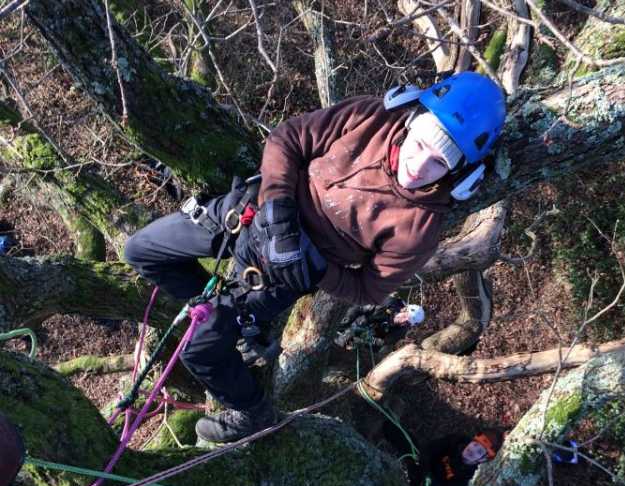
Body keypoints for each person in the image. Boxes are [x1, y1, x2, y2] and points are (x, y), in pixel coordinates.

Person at [124, 72, 506, 443]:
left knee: (199, 348)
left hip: (280, 274)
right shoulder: (370, 118)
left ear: (462, 175)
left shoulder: (419, 227)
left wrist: (315, 269)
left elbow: (368, 289)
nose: (418, 167)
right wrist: (277, 209)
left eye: (439, 162)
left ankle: (253, 412)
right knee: (141, 251)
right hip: (252, 213)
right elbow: (287, 138)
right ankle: (206, 303)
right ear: (410, 119)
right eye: (420, 145)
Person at [334, 295, 425, 352]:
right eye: (405, 316)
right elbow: (359, 308)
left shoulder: (401, 330)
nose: (403, 321)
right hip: (359, 319)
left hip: (370, 334)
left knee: (374, 348)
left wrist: (363, 340)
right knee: (347, 324)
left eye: (407, 322)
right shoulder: (388, 303)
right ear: (404, 309)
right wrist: (346, 322)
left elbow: (382, 342)